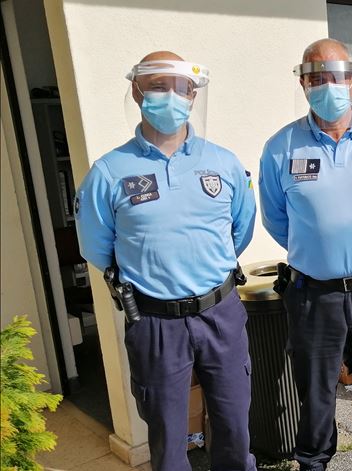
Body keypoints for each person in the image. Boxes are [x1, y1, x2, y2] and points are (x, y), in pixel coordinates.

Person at [75, 51, 257, 471]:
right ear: (137, 93)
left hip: (221, 314)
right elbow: (98, 249)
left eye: (180, 88)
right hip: (155, 324)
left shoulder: (224, 163)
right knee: (168, 439)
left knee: (233, 428)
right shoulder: (108, 172)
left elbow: (239, 232)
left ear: (193, 96)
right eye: (157, 86)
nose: (169, 97)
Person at [259, 38, 352, 471]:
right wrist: (322, 251)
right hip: (313, 296)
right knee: (316, 393)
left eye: (336, 76)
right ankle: (313, 462)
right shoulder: (280, 148)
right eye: (316, 78)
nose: (328, 86)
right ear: (304, 84)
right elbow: (276, 219)